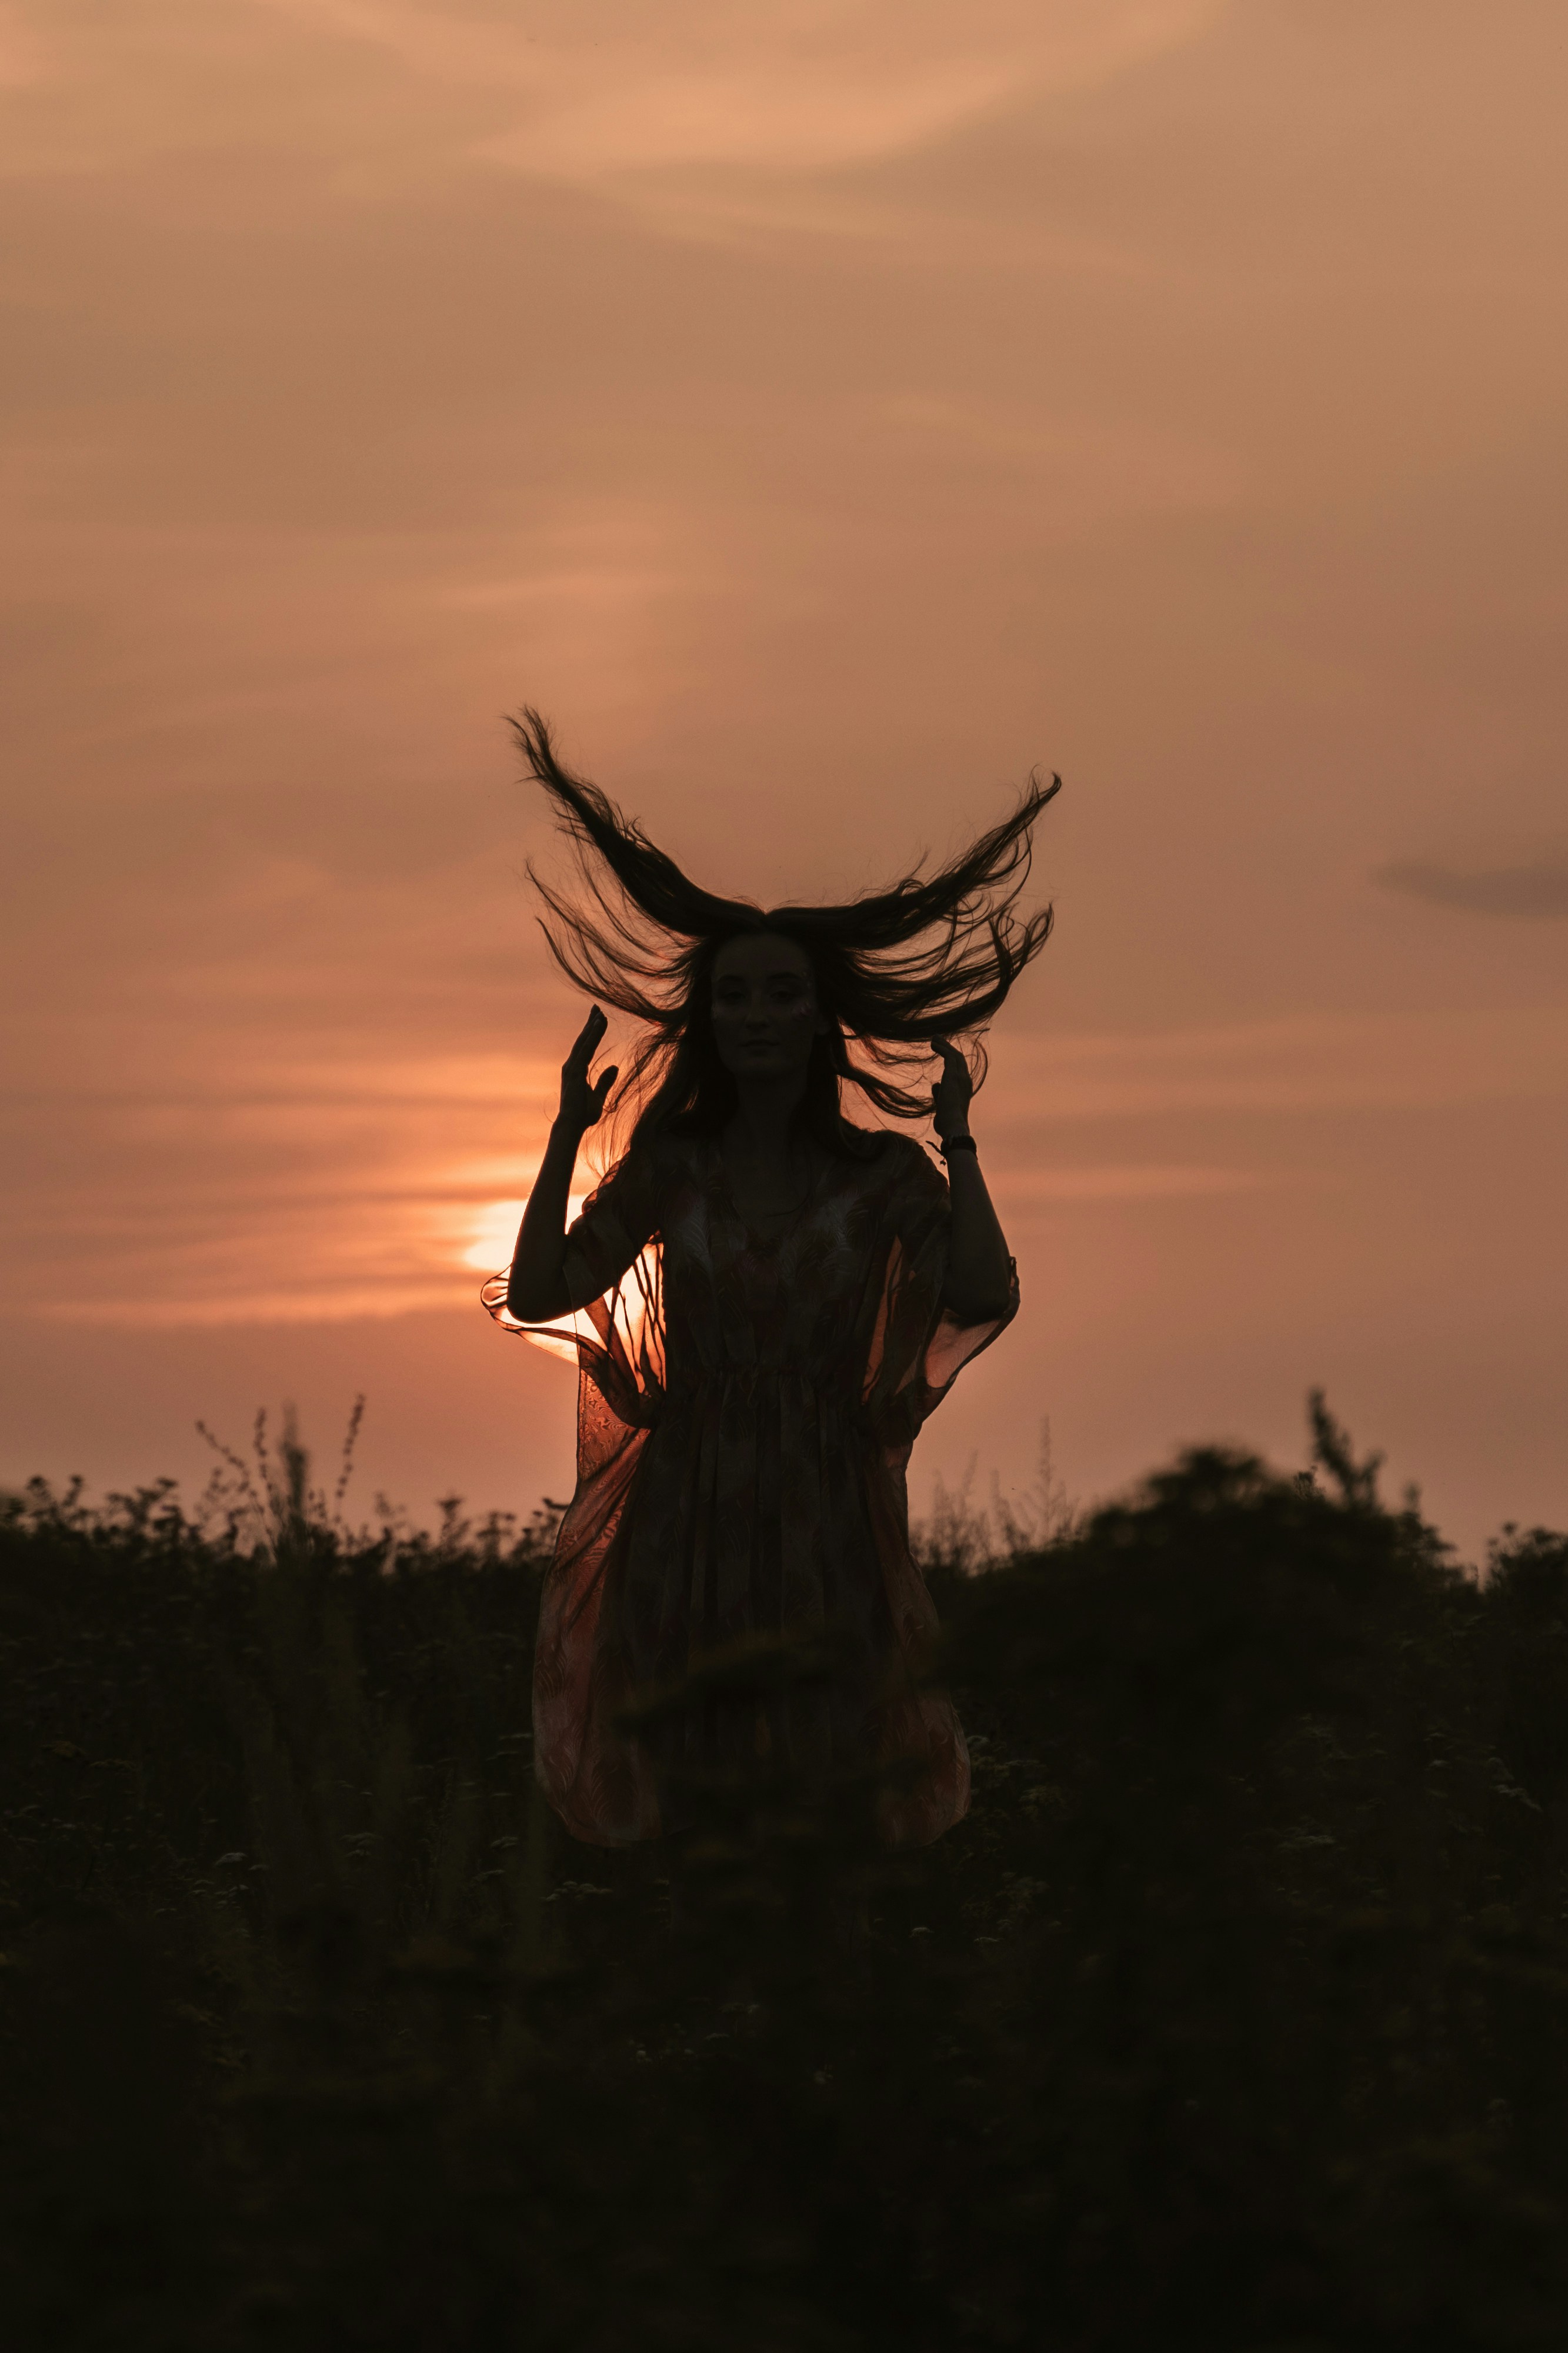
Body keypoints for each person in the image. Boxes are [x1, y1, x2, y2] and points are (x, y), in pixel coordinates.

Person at [485, 711, 1058, 1848]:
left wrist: (959, 1144)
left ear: (818, 1019)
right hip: (685, 1509)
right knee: (689, 1785)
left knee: (826, 1775)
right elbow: (545, 1290)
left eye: (782, 996)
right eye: (736, 997)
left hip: (823, 1509)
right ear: (709, 1019)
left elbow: (982, 1292)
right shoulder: (670, 1171)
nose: (757, 1016)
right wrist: (562, 1137)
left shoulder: (878, 1173)